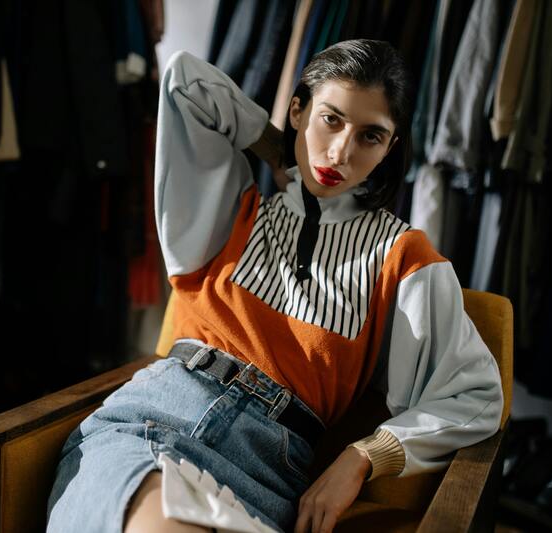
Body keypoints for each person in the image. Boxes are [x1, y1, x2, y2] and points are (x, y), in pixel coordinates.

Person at [46, 39, 504, 533]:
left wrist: (362, 458)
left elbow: (475, 395)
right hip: (159, 418)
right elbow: (185, 83)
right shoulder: (232, 211)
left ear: (390, 148)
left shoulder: (404, 255)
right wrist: (277, 149)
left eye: (370, 136)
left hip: (273, 471)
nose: (340, 152)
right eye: (331, 119)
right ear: (298, 108)